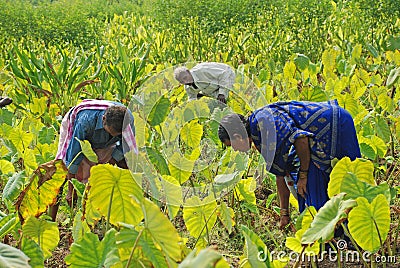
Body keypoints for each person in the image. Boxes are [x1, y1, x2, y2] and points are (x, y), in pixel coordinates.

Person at [218, 100, 361, 229]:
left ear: (237, 137)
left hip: (336, 124)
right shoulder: (257, 132)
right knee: (309, 197)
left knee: (350, 181)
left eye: (232, 146)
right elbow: (280, 173)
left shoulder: (263, 124)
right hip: (316, 140)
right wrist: (284, 214)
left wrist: (304, 175)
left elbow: (301, 139)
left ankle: (350, 232)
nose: (235, 150)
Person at [51, 99, 138, 221]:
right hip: (77, 130)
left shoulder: (127, 121)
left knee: (127, 165)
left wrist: (110, 162)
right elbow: (73, 154)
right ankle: (51, 220)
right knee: (62, 171)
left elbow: (126, 147)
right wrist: (71, 189)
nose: (113, 136)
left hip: (106, 143)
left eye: (116, 135)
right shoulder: (85, 121)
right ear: (103, 120)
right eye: (111, 132)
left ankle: (133, 207)